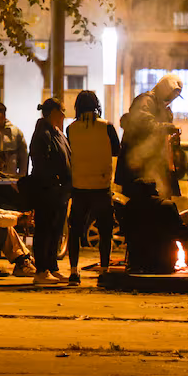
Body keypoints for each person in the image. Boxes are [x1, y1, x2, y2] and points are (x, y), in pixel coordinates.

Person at [65, 90, 119, 284]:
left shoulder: (71, 129)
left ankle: (73, 271)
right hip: (101, 185)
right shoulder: (107, 127)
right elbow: (116, 150)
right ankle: (104, 270)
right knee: (105, 231)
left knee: (75, 229)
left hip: (79, 186)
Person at [116, 73, 183, 199]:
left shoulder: (164, 109)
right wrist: (166, 128)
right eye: (172, 93)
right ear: (164, 89)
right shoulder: (145, 100)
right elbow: (143, 122)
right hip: (138, 169)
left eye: (176, 95)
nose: (173, 98)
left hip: (155, 169)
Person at [29, 98, 72, 285]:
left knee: (55, 231)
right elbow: (41, 162)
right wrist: (53, 182)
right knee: (44, 230)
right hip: (48, 191)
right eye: (61, 111)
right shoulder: (43, 133)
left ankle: (52, 267)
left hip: (60, 192)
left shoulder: (56, 133)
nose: (64, 115)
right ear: (52, 112)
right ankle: (41, 270)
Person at [119, 179, 187, 273]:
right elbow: (180, 232)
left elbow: (124, 231)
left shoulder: (130, 206)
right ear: (155, 190)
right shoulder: (167, 205)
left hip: (137, 263)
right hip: (164, 263)